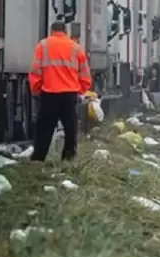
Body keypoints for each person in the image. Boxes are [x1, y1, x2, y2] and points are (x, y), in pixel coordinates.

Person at [28, 21, 92, 162]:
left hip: (49, 94)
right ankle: (68, 158)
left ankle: (38, 158)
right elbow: (85, 75)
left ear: (51, 31)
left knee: (44, 129)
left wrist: (37, 89)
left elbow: (35, 71)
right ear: (65, 31)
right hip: (69, 95)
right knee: (70, 128)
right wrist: (79, 90)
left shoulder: (43, 46)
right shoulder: (76, 48)